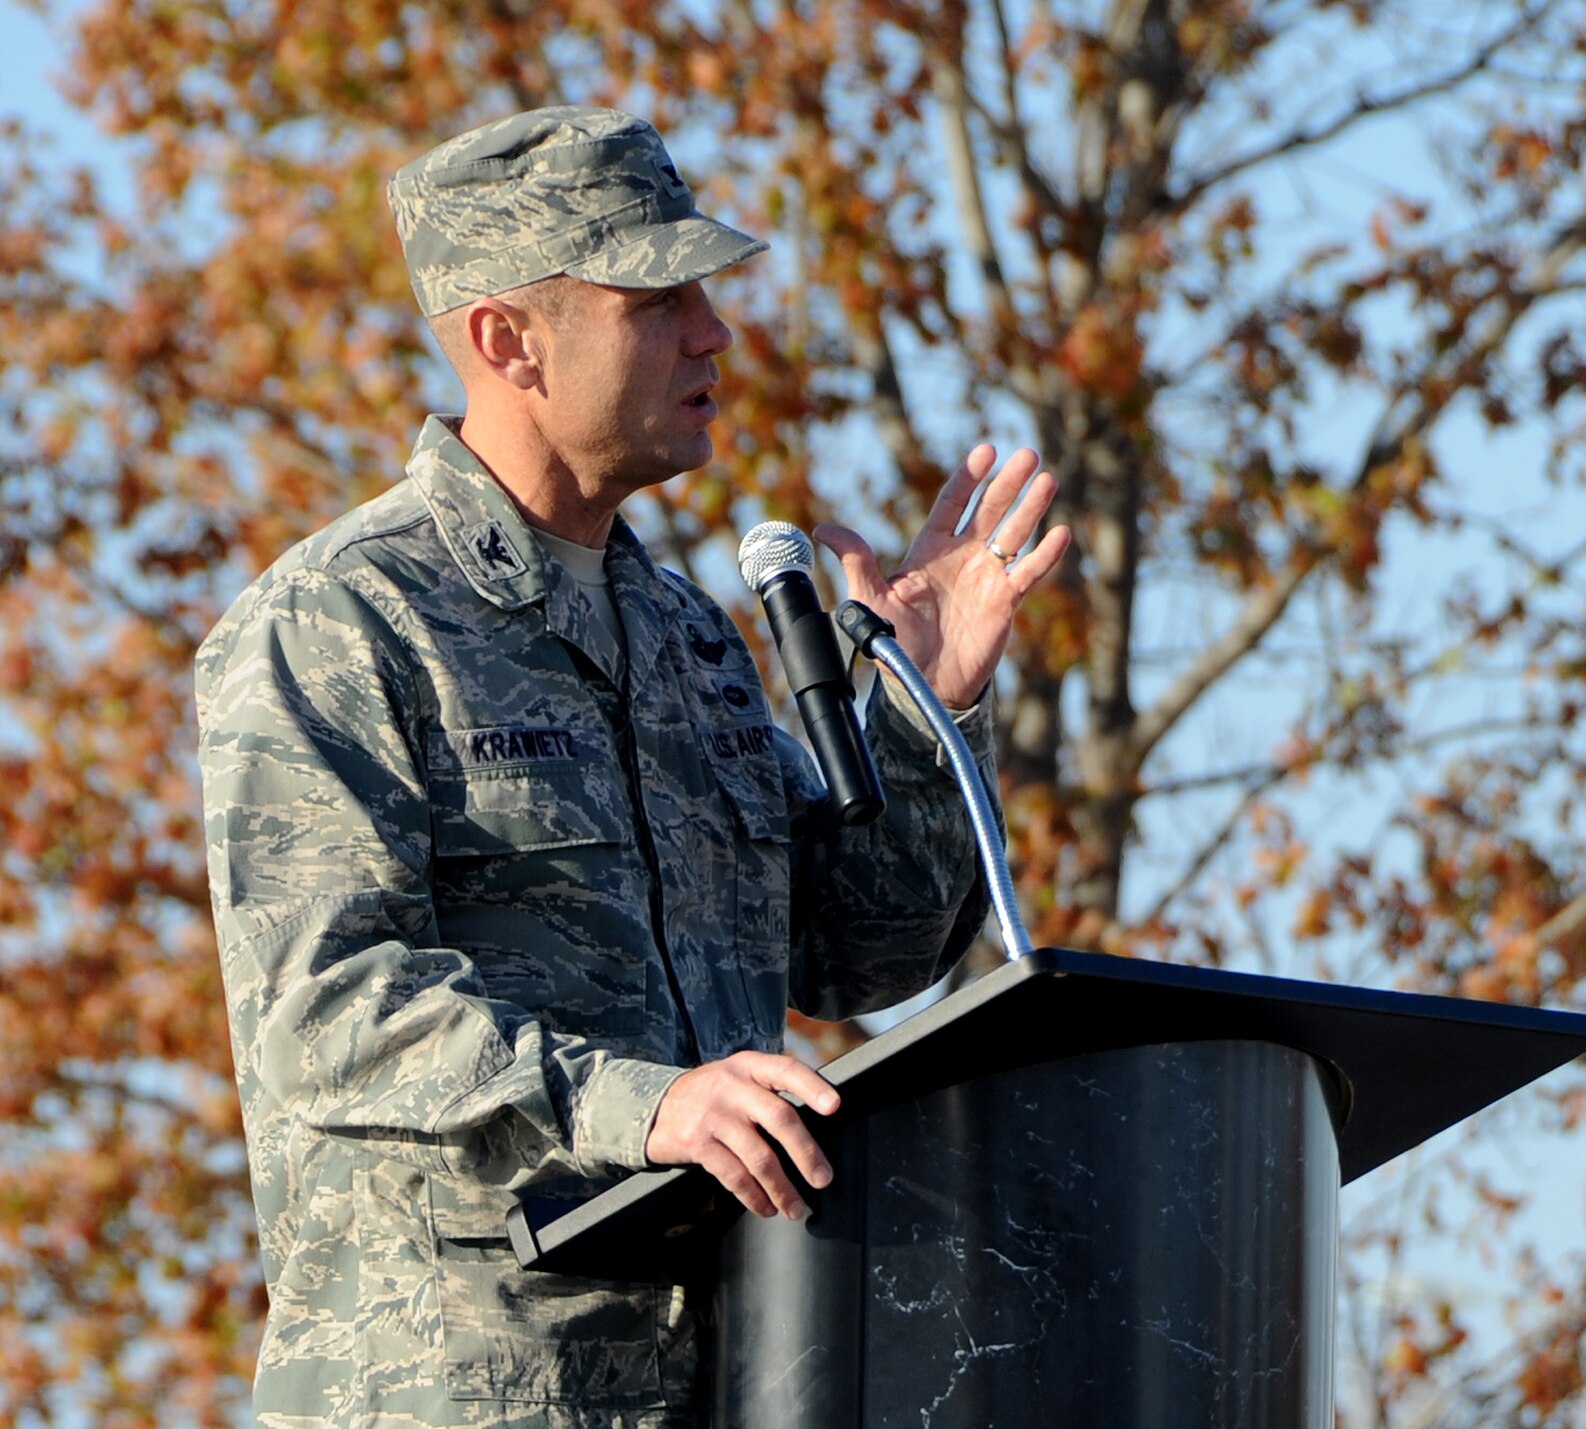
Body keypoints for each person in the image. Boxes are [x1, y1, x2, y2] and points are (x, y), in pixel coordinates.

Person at [195, 106, 1070, 1428]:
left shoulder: (687, 646)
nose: (714, 333)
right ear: (508, 340)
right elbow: (330, 1006)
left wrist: (925, 706)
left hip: (735, 1377)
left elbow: (860, 953)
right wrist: (643, 1108)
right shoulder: (341, 621)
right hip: (459, 1394)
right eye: (657, 299)